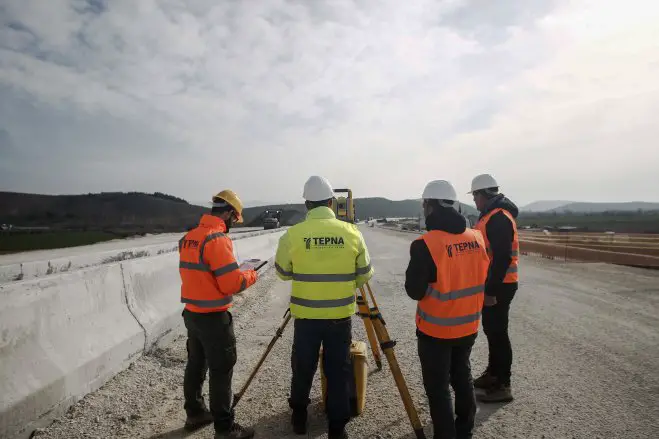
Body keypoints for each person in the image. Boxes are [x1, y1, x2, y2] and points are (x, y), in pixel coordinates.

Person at [274, 175, 374, 439]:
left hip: (306, 317)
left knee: (303, 365)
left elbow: (283, 272)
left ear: (307, 204)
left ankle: (299, 416)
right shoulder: (352, 233)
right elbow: (364, 274)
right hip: (339, 317)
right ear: (331, 202)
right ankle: (337, 427)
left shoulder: (292, 235)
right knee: (338, 369)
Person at [405, 180, 489, 439]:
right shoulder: (476, 237)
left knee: (438, 387)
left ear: (429, 206)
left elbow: (414, 291)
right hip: (468, 326)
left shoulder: (425, 245)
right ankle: (465, 427)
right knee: (461, 373)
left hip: (436, 331)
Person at [178, 190, 259, 439]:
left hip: (192, 313)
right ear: (228, 214)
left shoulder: (189, 237)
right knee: (221, 370)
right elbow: (230, 284)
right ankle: (225, 428)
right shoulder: (217, 239)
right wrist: (251, 274)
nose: (234, 224)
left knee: (196, 363)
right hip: (214, 318)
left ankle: (195, 413)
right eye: (235, 218)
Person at [469, 173, 519, 403]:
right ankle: (493, 374)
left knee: (498, 333)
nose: (474, 201)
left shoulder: (498, 218)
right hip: (495, 284)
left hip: (500, 285)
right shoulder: (490, 215)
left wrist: (490, 291)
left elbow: (502, 258)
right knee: (492, 331)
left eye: (475, 196)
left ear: (483, 194)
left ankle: (503, 384)